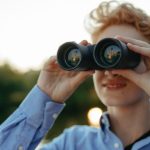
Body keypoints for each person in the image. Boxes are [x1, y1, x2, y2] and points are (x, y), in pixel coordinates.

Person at [0, 0, 150, 149]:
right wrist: (44, 95)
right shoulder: (72, 143)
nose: (110, 72)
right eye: (103, 57)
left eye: (125, 55)